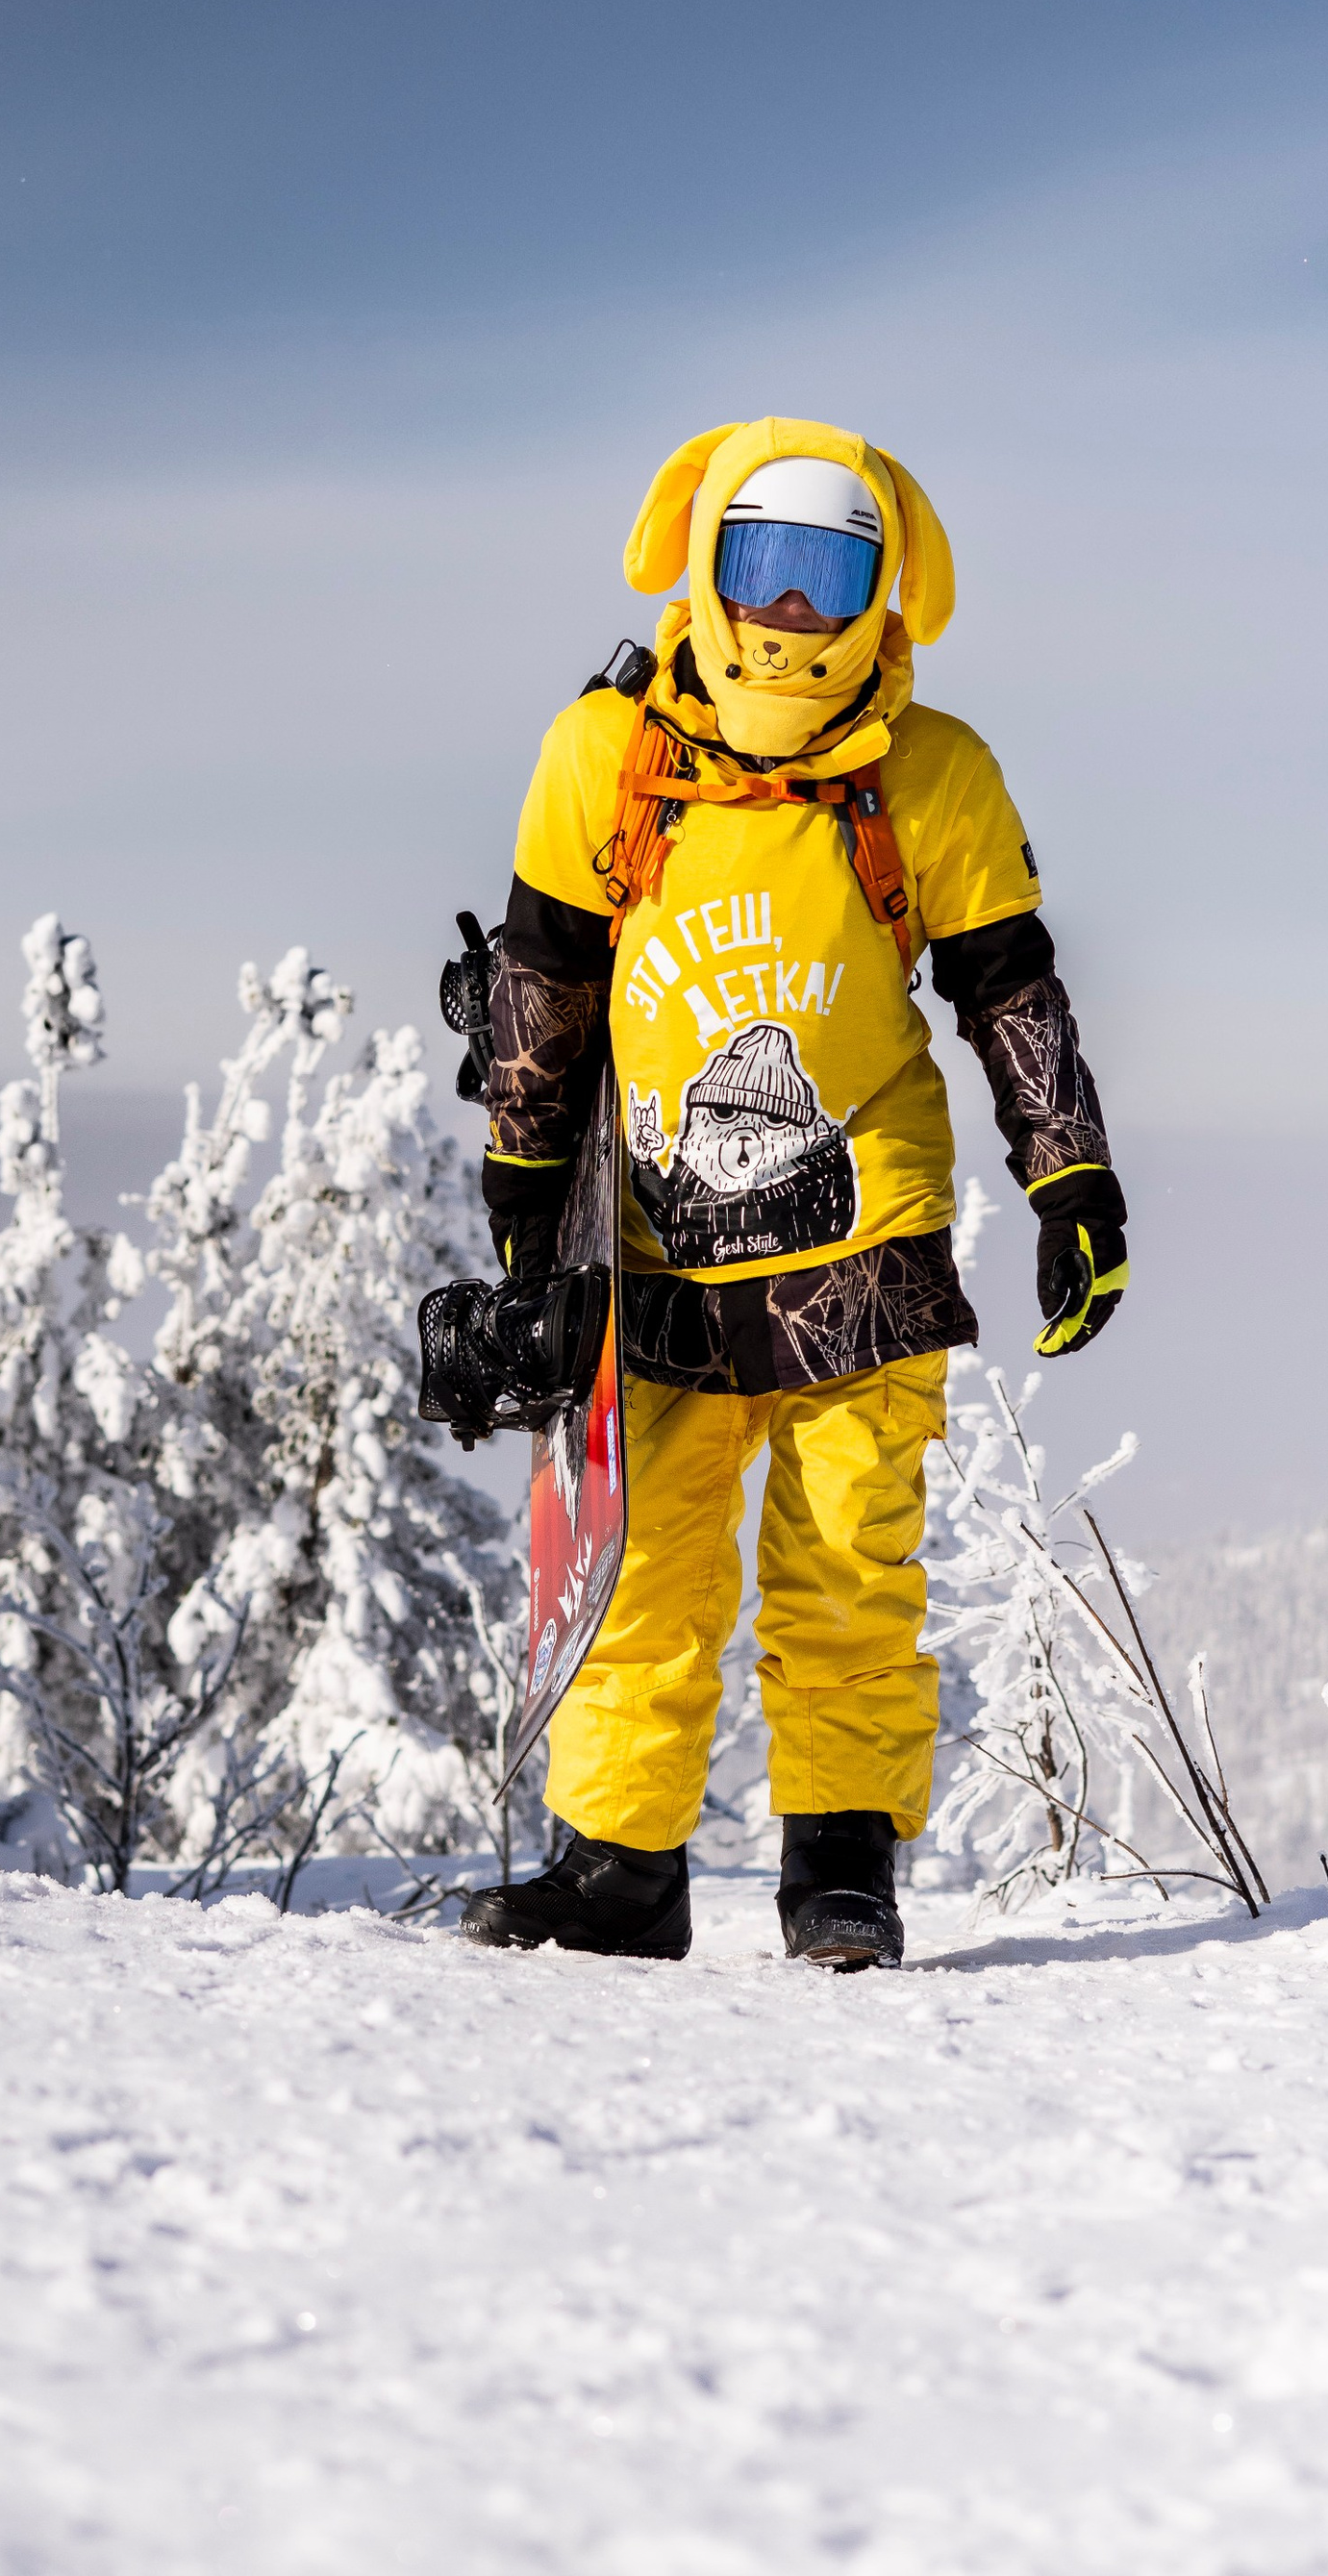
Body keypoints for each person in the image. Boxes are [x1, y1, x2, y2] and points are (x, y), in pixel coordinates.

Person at [455, 418, 1126, 1969]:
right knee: (643, 1565)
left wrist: (1071, 1177)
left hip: (863, 1239)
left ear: (888, 588)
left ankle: (841, 1873)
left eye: (833, 573)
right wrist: (524, 1187)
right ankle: (620, 1870)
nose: (796, 614)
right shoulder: (604, 756)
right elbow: (544, 976)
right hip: (651, 1246)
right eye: (765, 566)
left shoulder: (931, 771)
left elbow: (1008, 986)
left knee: (847, 1564)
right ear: (705, 563)